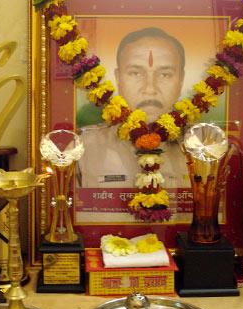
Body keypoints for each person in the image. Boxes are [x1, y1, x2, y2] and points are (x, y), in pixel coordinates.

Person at [77, 27, 190, 189]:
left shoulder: (205, 147)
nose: (150, 88)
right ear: (118, 79)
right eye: (135, 73)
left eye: (165, 74)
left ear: (181, 80)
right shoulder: (84, 148)